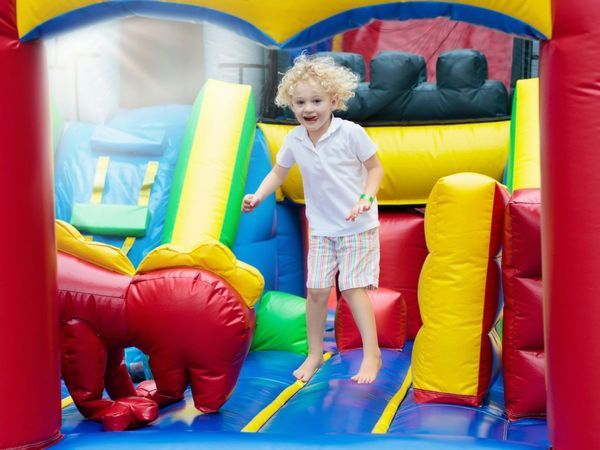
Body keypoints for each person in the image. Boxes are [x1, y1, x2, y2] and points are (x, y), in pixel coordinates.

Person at [242, 54, 383, 384]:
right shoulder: (295, 140)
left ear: (333, 100)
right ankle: (315, 354)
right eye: (300, 102)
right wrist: (259, 195)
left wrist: (366, 197)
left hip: (357, 226)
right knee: (317, 290)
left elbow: (375, 168)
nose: (309, 109)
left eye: (317, 101)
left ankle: (372, 354)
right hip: (322, 228)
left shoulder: (350, 133)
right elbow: (279, 171)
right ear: (290, 104)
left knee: (351, 289)